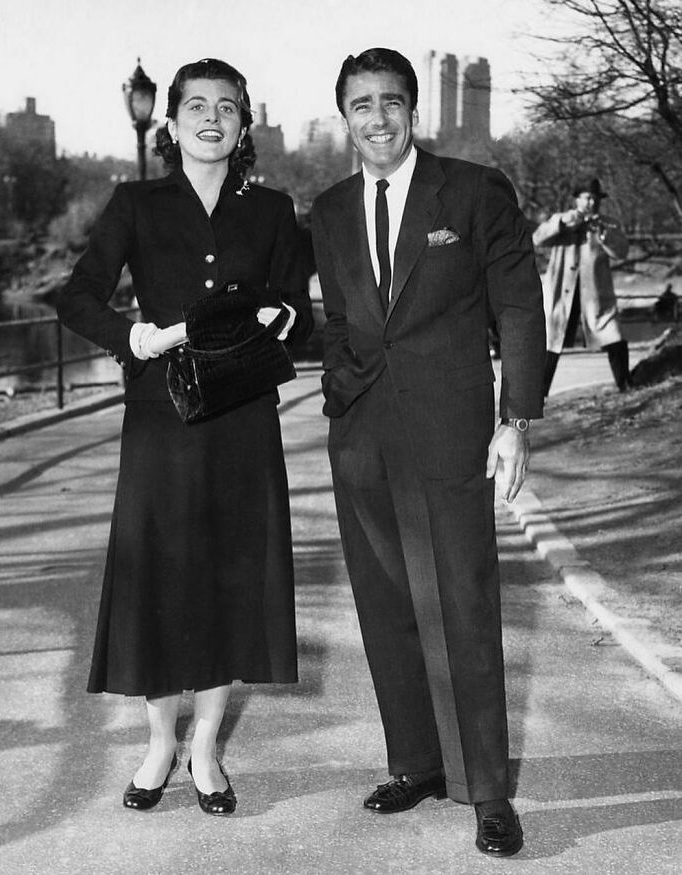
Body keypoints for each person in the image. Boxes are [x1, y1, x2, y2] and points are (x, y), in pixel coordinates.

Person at [57, 58, 311, 816]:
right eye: (195, 107)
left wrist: (281, 316)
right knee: (160, 578)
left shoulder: (270, 210)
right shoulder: (134, 203)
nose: (211, 119)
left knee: (230, 576)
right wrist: (130, 336)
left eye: (227, 108)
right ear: (169, 124)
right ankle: (159, 742)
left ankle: (205, 747)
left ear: (242, 127)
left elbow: (299, 304)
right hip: (160, 420)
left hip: (241, 419)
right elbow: (75, 296)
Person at [311, 48, 546, 858]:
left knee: (464, 605)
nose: (376, 118)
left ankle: (486, 790)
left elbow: (519, 305)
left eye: (390, 102)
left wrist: (516, 417)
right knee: (386, 605)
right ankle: (415, 761)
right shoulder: (331, 208)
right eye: (360, 104)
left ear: (415, 109)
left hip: (451, 434)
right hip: (362, 437)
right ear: (343, 116)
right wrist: (339, 388)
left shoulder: (474, 192)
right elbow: (338, 317)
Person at [533, 178, 631, 395]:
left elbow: (622, 252)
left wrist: (604, 235)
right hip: (562, 293)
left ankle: (625, 385)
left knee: (612, 334)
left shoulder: (608, 224)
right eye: (587, 198)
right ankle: (538, 393)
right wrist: (562, 224)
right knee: (552, 340)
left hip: (594, 295)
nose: (592, 203)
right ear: (577, 199)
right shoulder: (562, 219)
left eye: (596, 199)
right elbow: (537, 239)